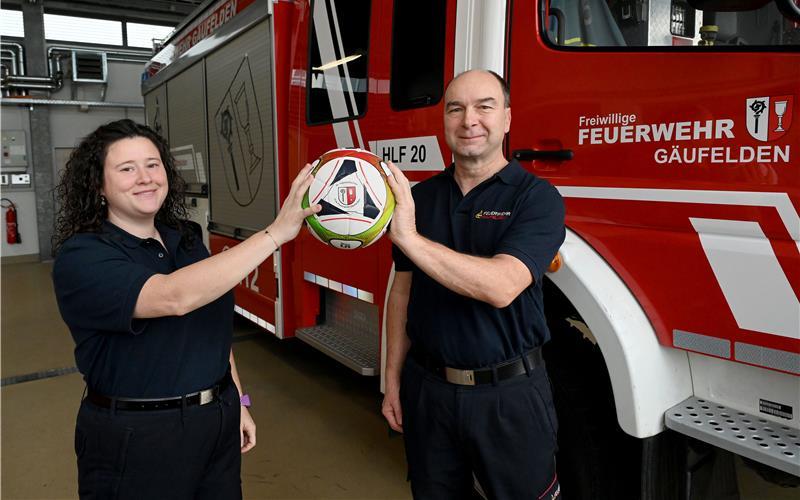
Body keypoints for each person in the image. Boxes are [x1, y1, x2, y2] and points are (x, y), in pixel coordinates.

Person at [52, 119, 321, 500]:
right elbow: (172, 298)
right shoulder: (83, 256)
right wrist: (276, 233)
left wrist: (238, 402)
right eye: (127, 169)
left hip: (216, 419)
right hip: (139, 435)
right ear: (99, 185)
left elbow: (214, 332)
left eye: (153, 164)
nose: (145, 177)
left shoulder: (187, 238)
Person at [381, 70, 566, 499]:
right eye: (456, 108)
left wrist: (410, 237)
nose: (469, 120)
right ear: (443, 120)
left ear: (506, 119)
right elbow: (402, 292)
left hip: (509, 399)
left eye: (484, 106)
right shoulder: (421, 199)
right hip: (428, 392)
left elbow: (502, 285)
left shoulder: (536, 199)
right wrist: (392, 379)